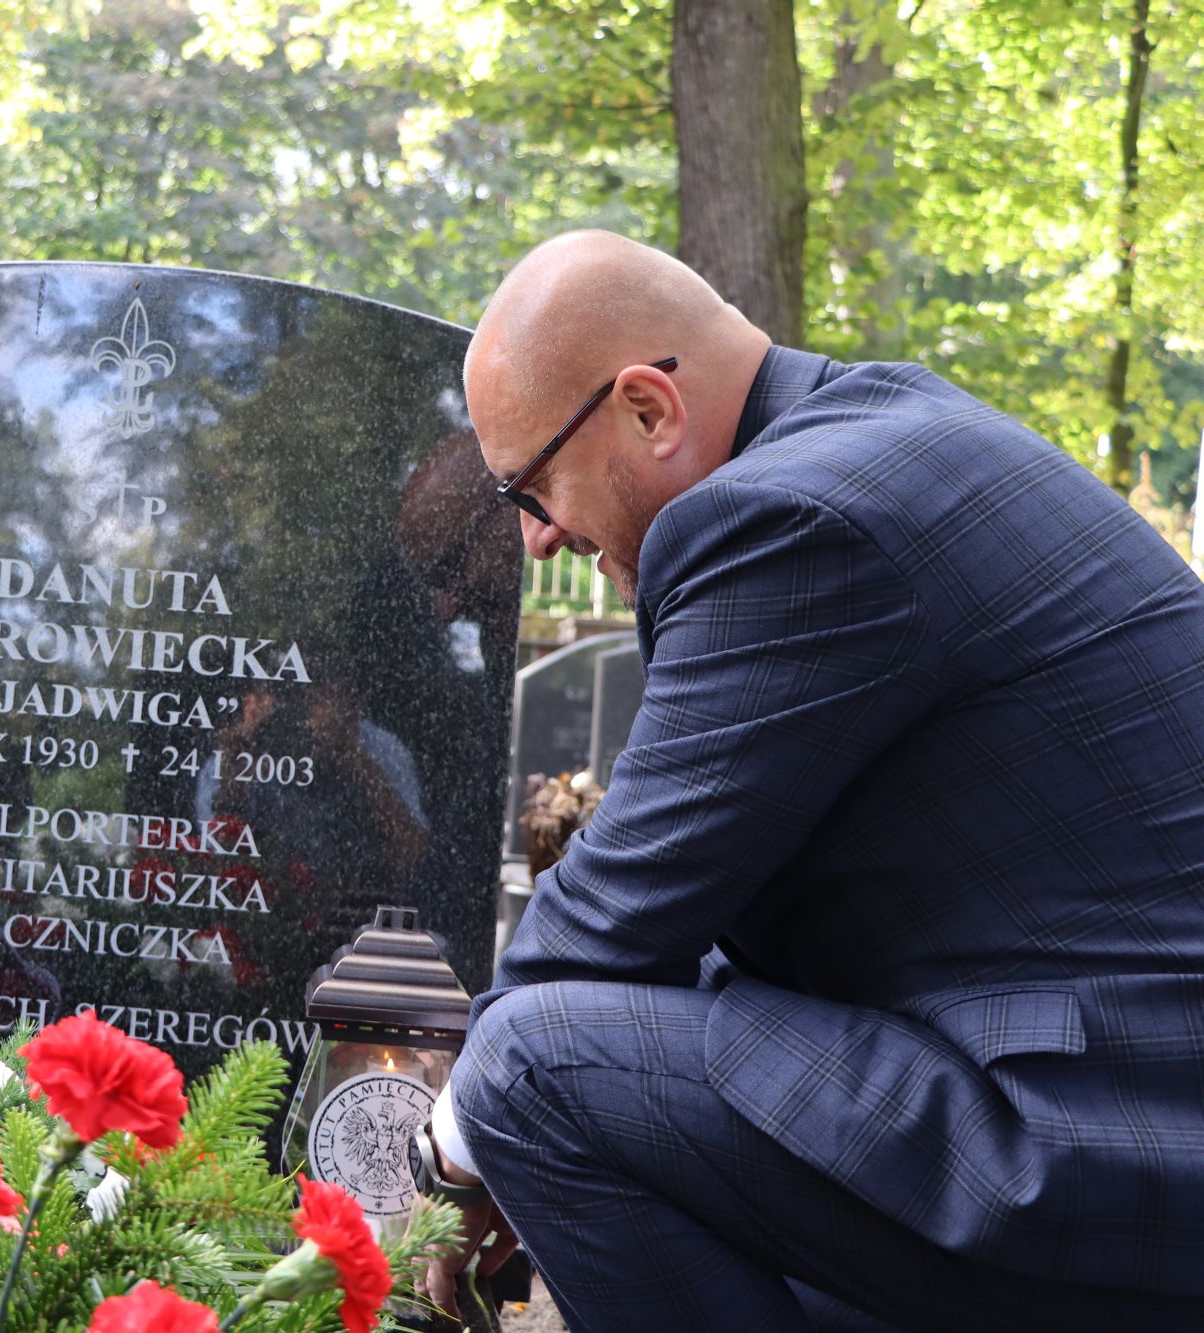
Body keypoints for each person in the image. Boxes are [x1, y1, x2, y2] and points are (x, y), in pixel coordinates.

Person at [416, 230, 1204, 1331]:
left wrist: (447, 1158)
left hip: (1094, 1152)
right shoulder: (876, 437)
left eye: (532, 484)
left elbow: (612, 917)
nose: (536, 536)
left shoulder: (787, 516)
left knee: (526, 1071)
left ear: (647, 408)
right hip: (1102, 1113)